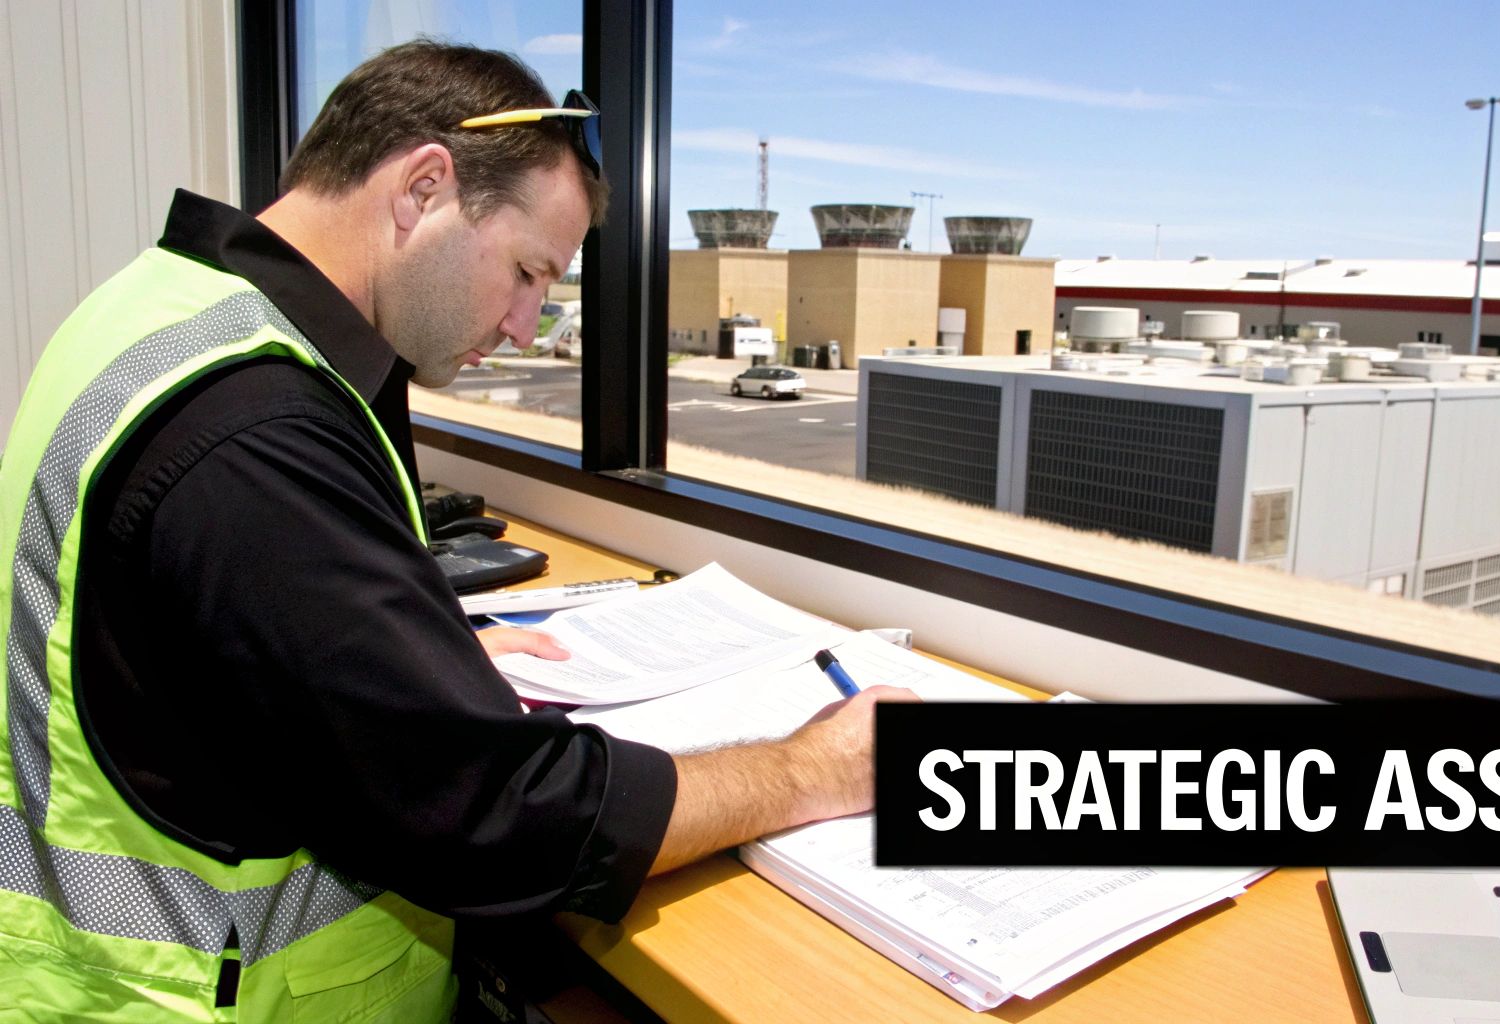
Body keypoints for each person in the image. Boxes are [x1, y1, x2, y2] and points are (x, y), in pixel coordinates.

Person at [0, 40, 908, 1021]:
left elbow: (214, 611)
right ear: (422, 188)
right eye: (525, 271)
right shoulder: (255, 429)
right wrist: (816, 765)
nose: (525, 325)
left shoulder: (171, 308)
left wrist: (416, 640)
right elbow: (498, 817)